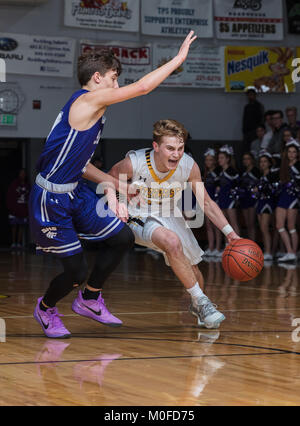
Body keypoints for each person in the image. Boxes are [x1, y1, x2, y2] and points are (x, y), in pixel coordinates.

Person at [30, 31, 198, 339]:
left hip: (74, 192)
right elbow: (144, 87)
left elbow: (80, 165)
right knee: (76, 272)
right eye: (114, 78)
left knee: (122, 237)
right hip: (50, 198)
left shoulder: (89, 109)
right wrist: (179, 59)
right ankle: (46, 307)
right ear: (97, 78)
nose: (117, 85)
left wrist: (114, 184)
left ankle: (90, 299)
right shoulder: (88, 100)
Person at [109, 120, 240, 329]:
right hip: (138, 213)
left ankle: (199, 306)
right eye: (170, 148)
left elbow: (206, 202)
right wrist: (116, 204)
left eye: (180, 148)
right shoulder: (134, 162)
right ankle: (203, 302)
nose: (176, 154)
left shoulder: (189, 165)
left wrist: (230, 233)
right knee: (171, 241)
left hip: (170, 214)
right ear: (156, 147)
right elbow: (110, 177)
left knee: (193, 269)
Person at [275, 140, 300, 262]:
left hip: (293, 198)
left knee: (291, 226)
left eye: (294, 152)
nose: (291, 154)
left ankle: (293, 253)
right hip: (283, 197)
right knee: (279, 225)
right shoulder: (283, 166)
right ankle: (289, 251)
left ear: (297, 153)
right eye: (289, 152)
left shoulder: (298, 166)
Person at [255, 151, 278, 260]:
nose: (263, 164)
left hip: (268, 203)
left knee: (265, 227)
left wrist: (260, 189)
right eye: (261, 162)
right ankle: (267, 250)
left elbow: (273, 190)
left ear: (269, 163)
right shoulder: (260, 176)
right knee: (262, 228)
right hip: (260, 202)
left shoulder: (272, 176)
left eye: (265, 161)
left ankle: (269, 251)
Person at [216, 145, 240, 237]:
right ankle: (228, 245)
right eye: (219, 158)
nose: (219, 160)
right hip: (222, 199)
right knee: (226, 225)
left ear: (228, 159)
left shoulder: (232, 171)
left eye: (222, 158)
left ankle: (238, 245)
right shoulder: (220, 171)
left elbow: (238, 185)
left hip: (230, 200)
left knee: (233, 223)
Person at [202, 148, 222, 257]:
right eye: (206, 160)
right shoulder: (205, 173)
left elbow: (218, 188)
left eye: (210, 160)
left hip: (215, 202)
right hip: (206, 202)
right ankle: (211, 247)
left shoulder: (218, 173)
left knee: (216, 225)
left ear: (214, 161)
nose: (208, 162)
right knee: (208, 225)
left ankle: (218, 248)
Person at [6, 168, 31, 250]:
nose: (22, 175)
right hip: (15, 208)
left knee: (21, 226)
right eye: (21, 173)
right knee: (14, 226)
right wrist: (11, 207)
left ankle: (19, 243)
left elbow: (30, 197)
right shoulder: (14, 184)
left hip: (23, 209)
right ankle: (13, 243)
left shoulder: (27, 185)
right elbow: (10, 196)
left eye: (24, 173)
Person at [239, 152, 260, 241]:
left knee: (251, 223)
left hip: (253, 199)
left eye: (248, 158)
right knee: (247, 224)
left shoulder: (256, 171)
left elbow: (260, 184)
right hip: (244, 199)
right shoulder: (243, 172)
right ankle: (249, 243)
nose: (246, 161)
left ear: (252, 160)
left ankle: (253, 243)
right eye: (244, 159)